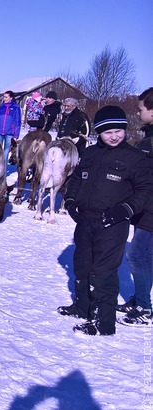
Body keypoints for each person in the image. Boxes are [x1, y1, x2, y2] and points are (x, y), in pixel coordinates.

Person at [59, 105, 153, 336]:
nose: (114, 136)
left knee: (104, 270)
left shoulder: (134, 158)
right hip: (85, 220)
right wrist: (70, 201)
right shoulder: (90, 154)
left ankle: (103, 322)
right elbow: (77, 181)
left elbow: (145, 190)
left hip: (113, 223)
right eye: (108, 131)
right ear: (98, 132)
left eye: (118, 131)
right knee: (81, 265)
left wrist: (125, 210)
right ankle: (83, 307)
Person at [118, 87, 153, 326]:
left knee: (136, 254)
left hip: (150, 207)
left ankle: (144, 307)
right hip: (146, 206)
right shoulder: (149, 137)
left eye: (141, 109)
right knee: (147, 256)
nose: (138, 113)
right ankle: (141, 298)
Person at [0, 90, 21, 164]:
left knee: (6, 151)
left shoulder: (16, 108)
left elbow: (18, 122)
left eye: (6, 97)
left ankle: (3, 170)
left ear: (11, 98)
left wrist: (16, 135)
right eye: (4, 97)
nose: (4, 98)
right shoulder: (1, 107)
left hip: (9, 133)